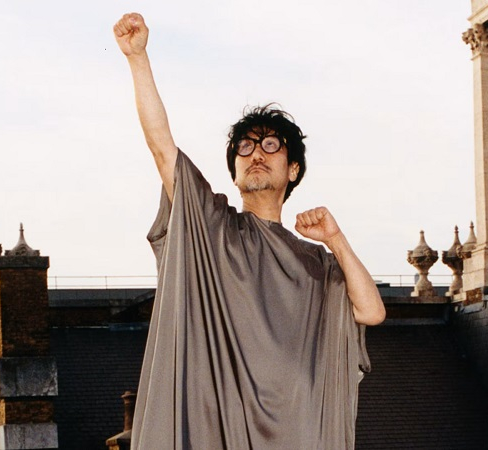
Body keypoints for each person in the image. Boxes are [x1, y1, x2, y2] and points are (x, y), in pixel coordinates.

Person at [114, 12, 386, 449]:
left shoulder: (317, 263)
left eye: (270, 145)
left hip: (300, 436)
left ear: (292, 169)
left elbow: (371, 312)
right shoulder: (213, 228)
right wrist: (137, 59)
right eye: (245, 147)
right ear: (235, 173)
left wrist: (336, 240)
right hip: (222, 431)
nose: (256, 154)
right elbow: (163, 149)